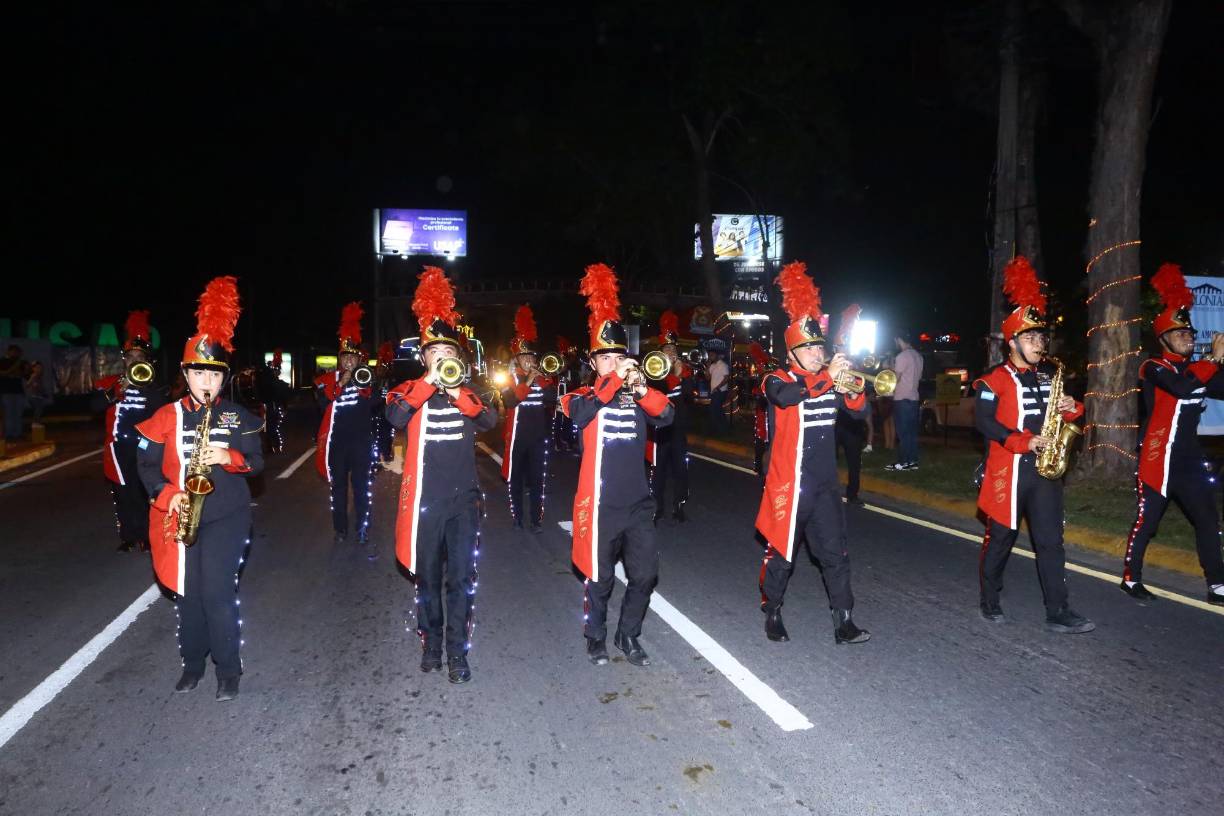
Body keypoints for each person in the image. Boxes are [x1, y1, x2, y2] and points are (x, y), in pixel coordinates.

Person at [136, 276, 264, 701]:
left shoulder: (239, 416)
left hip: (228, 514)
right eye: (199, 372)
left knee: (216, 592)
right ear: (186, 374)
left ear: (223, 377)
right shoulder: (166, 415)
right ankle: (192, 663)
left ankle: (228, 669)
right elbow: (146, 464)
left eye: (214, 374)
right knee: (187, 594)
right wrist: (166, 494)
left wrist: (230, 456)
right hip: (182, 514)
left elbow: (257, 464)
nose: (206, 381)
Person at [386, 266, 497, 684]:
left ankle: (457, 653)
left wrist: (455, 391)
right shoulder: (406, 390)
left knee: (462, 579)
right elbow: (395, 416)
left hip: (464, 502)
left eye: (448, 352)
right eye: (434, 352)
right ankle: (431, 644)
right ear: (424, 358)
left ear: (457, 357)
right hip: (424, 503)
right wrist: (427, 385)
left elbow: (488, 420)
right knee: (427, 578)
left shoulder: (470, 392)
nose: (442, 358)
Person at [562, 263, 674, 667]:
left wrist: (641, 388)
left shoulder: (636, 394)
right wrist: (612, 382)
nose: (614, 363)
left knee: (645, 575)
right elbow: (578, 417)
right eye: (605, 358)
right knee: (600, 578)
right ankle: (595, 637)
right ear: (594, 363)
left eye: (619, 357)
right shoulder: (579, 396)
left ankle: (628, 634)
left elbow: (666, 416)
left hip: (637, 504)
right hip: (599, 505)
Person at [974, 256, 1093, 633]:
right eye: (1030, 337)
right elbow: (985, 422)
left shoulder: (1048, 376)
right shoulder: (993, 379)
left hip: (1045, 470)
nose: (1038, 344)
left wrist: (1072, 408)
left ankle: (1058, 610)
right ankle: (989, 599)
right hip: (1009, 470)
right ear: (1012, 343)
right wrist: (1023, 441)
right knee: (1001, 538)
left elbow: (1065, 415)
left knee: (1051, 541)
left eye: (1040, 337)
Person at [755, 261, 871, 645]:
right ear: (792, 352)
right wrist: (825, 378)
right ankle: (772, 610)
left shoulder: (829, 380)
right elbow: (786, 398)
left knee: (836, 553)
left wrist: (852, 390)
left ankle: (844, 621)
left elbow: (860, 413)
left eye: (819, 346)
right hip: (790, 483)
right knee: (782, 554)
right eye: (809, 348)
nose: (817, 353)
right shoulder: (776, 379)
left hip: (824, 483)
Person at [1120, 263, 1224, 606]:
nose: (1188, 338)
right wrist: (1212, 360)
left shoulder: (1198, 369)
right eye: (1180, 334)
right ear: (1164, 338)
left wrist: (1218, 362)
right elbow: (1181, 388)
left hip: (1189, 459)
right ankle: (1131, 578)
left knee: (1208, 519)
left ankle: (1217, 585)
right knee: (1147, 522)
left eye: (1190, 334)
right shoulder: (1153, 367)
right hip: (1158, 457)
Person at [94, 310, 168, 552]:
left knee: (145, 491)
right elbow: (93, 406)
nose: (135, 361)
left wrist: (147, 387)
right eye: (131, 357)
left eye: (140, 357)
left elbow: (162, 411)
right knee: (123, 492)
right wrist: (118, 389)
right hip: (118, 447)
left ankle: (147, 537)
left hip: (144, 446)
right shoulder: (112, 383)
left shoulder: (153, 386)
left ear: (146, 361)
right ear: (124, 360)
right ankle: (128, 536)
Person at [315, 302, 377, 552]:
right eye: (345, 357)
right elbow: (323, 403)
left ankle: (362, 528)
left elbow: (376, 403)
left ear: (359, 358)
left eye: (353, 357)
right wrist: (341, 383)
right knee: (338, 489)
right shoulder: (327, 380)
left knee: (362, 488)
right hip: (337, 444)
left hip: (361, 443)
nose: (350, 360)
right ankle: (340, 528)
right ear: (340, 359)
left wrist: (365, 386)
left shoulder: (368, 377)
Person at [500, 304, 558, 533]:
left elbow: (552, 398)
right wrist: (528, 381)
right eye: (524, 356)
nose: (528, 359)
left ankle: (536, 520)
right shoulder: (508, 379)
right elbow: (511, 401)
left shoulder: (542, 378)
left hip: (538, 436)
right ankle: (517, 516)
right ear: (517, 359)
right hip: (517, 436)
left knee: (537, 479)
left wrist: (543, 379)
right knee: (515, 478)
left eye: (531, 355)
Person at [647, 310, 694, 523]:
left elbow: (689, 395)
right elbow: (660, 393)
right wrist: (674, 375)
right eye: (667, 349)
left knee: (681, 469)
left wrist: (684, 374)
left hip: (678, 428)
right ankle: (656, 508)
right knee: (658, 470)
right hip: (660, 429)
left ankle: (679, 505)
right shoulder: (653, 371)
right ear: (660, 353)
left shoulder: (683, 370)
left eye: (673, 349)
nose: (671, 352)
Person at [885, 332, 923, 471]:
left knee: (903, 433)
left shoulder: (902, 356)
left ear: (898, 339)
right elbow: (918, 377)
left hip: (902, 398)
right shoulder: (919, 356)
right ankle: (913, 461)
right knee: (912, 433)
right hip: (914, 398)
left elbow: (896, 378)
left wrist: (888, 391)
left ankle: (903, 462)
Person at [0, 345, 28, 441]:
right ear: (9, 351)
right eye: (14, 351)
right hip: (7, 391)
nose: (16, 353)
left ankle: (18, 433)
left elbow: (25, 375)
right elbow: (3, 373)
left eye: (17, 352)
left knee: (18, 414)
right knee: (9, 414)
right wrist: (13, 370)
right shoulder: (2, 361)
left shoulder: (20, 362)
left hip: (19, 391)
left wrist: (25, 369)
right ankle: (9, 434)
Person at [706, 349, 730, 435]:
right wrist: (708, 367)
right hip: (714, 391)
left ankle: (720, 430)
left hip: (720, 391)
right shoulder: (713, 365)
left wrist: (718, 387)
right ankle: (722, 429)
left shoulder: (723, 365)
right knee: (717, 410)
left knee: (715, 410)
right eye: (709, 355)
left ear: (717, 355)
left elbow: (726, 378)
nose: (710, 357)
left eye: (712, 355)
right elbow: (707, 378)